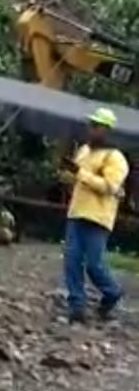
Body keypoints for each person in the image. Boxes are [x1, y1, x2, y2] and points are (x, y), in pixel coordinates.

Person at [64, 106, 128, 323]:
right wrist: (67, 174)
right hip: (77, 212)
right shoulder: (83, 151)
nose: (91, 130)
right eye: (91, 125)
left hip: (98, 217)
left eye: (96, 127)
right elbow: (78, 180)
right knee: (71, 261)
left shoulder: (115, 158)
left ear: (107, 130)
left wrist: (80, 173)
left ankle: (112, 292)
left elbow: (110, 186)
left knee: (94, 264)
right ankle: (77, 306)